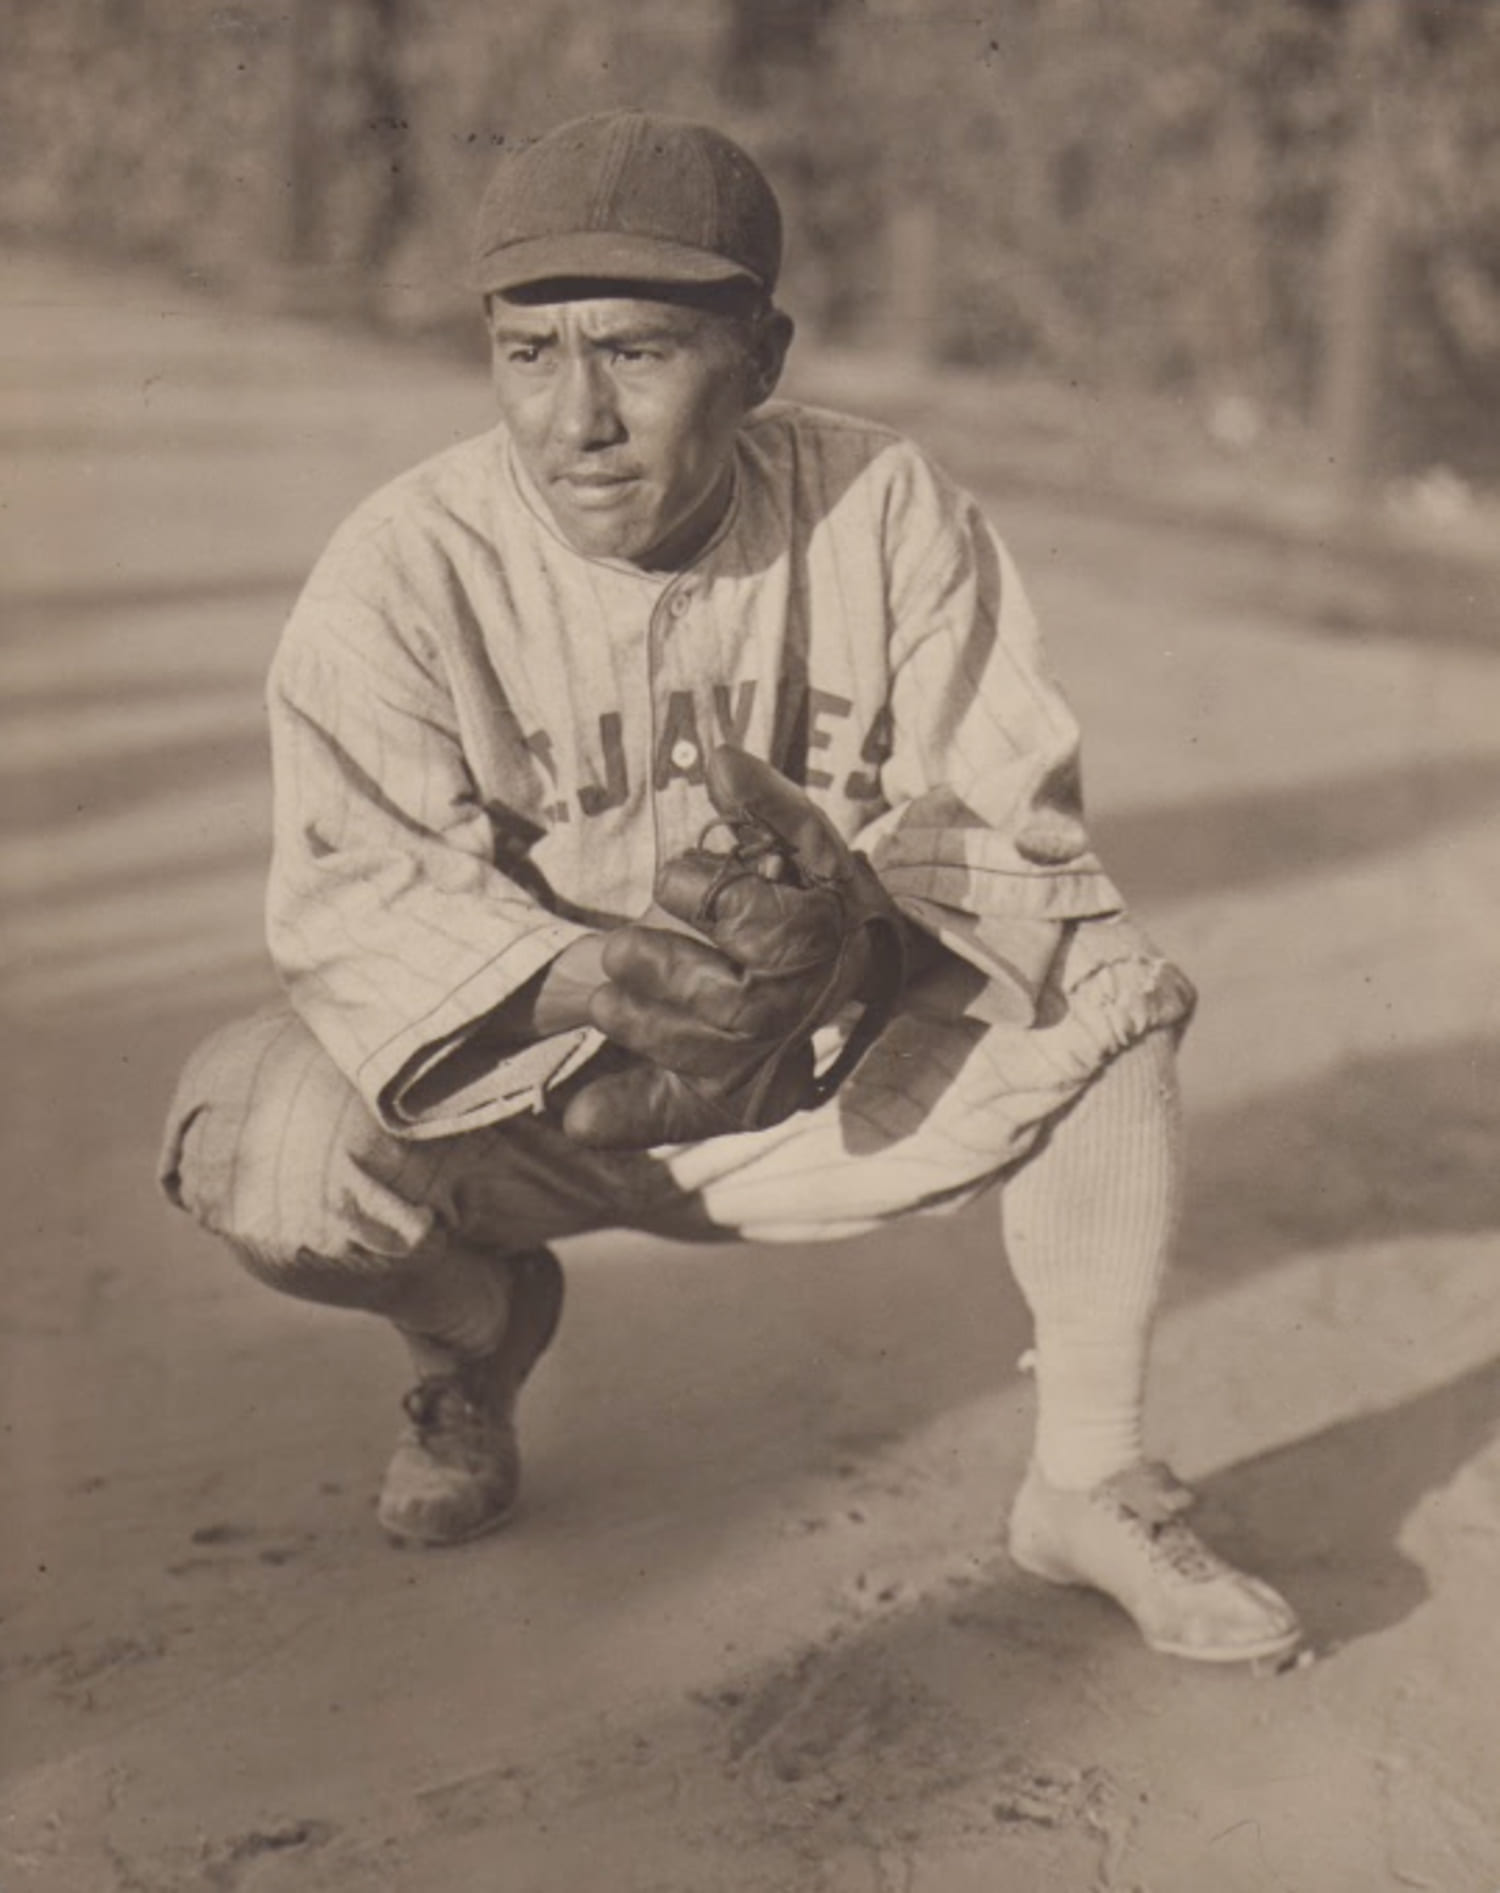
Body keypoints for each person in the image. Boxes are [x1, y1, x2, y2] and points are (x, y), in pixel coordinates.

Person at [159, 108, 1301, 1666]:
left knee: (1104, 979)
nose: (578, 419)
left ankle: (1088, 1477)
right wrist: (585, 978)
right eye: (528, 352)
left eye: (635, 352)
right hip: (536, 1113)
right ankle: (472, 1335)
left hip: (816, 1093)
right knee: (264, 1143)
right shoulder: (405, 565)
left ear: (759, 357)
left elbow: (1015, 823)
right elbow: (351, 904)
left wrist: (862, 927)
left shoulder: (881, 507)